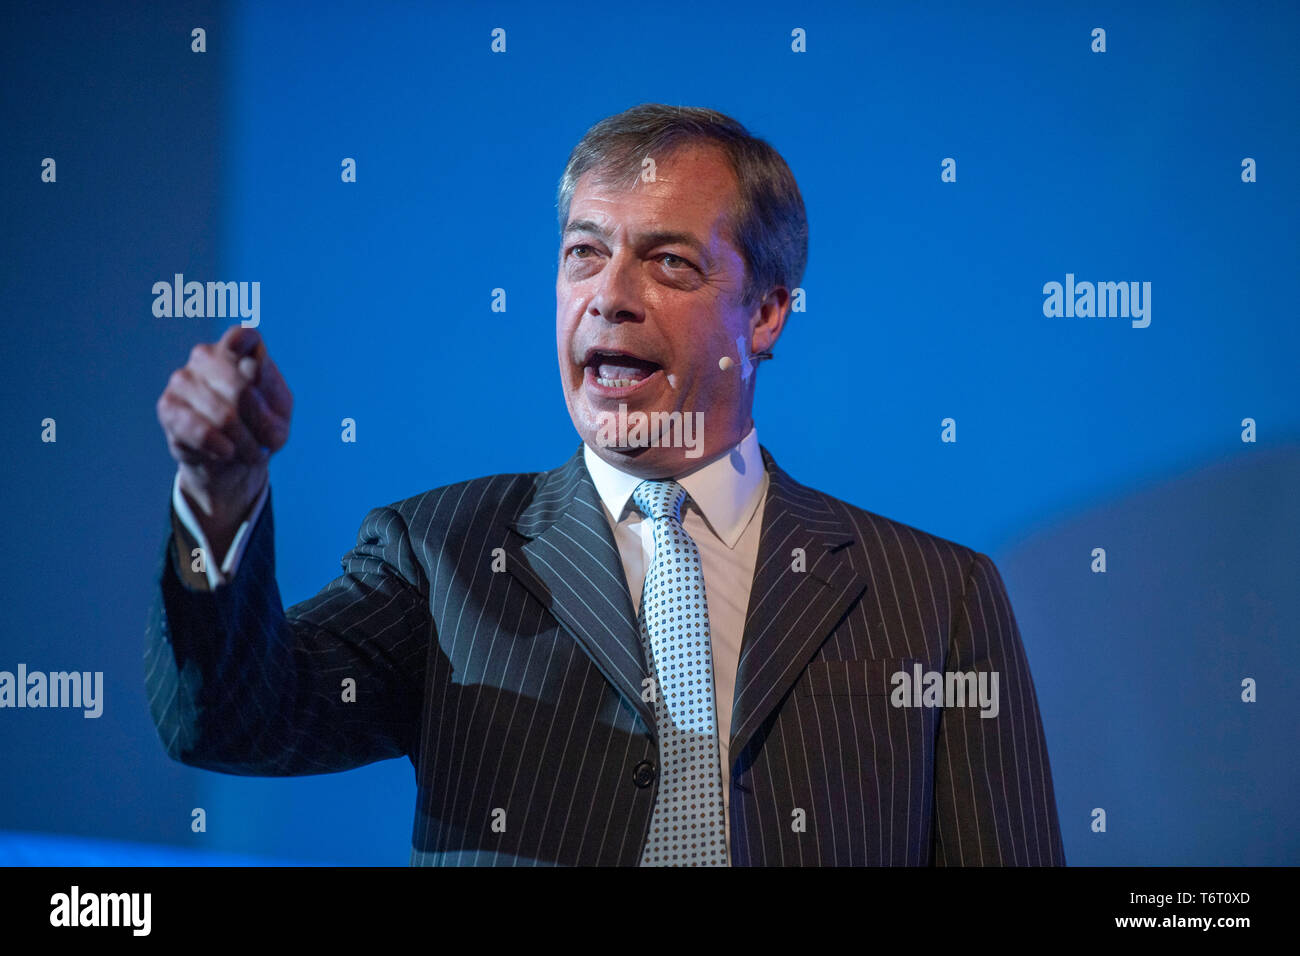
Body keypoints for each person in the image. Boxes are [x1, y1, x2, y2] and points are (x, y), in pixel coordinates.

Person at [147, 103, 1065, 866]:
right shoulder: (441, 555)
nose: (609, 295)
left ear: (768, 312)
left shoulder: (937, 597)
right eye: (585, 253)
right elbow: (229, 720)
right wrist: (218, 493)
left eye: (668, 262)